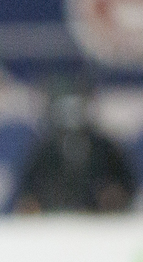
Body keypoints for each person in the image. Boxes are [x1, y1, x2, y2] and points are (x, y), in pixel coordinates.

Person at [13, 77, 137, 214]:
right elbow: (27, 191)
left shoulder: (104, 147)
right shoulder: (44, 150)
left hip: (100, 222)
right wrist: (31, 201)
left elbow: (126, 185)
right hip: (54, 222)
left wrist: (117, 195)